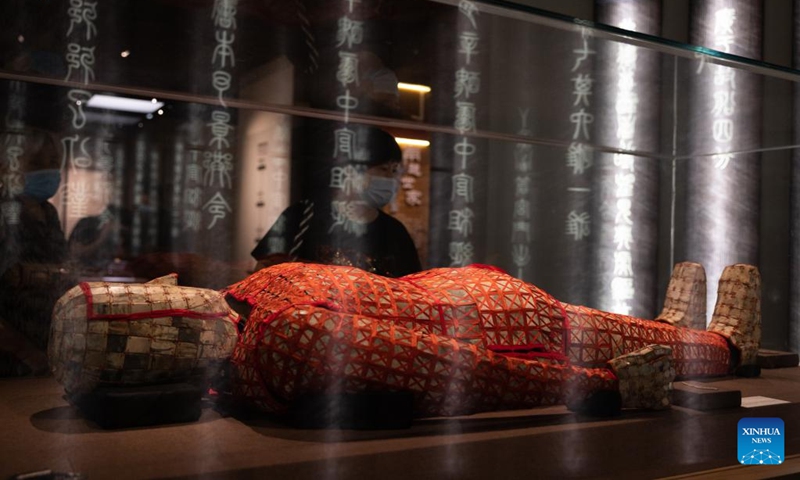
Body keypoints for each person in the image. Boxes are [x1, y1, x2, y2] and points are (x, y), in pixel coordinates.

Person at [49, 261, 761, 418]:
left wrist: (597, 388)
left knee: (619, 335)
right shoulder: (271, 316)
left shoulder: (265, 315)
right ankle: (711, 340)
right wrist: (597, 386)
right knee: (611, 334)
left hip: (480, 312)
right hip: (488, 316)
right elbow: (440, 364)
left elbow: (441, 362)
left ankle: (708, 340)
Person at [251, 122, 422, 278]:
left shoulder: (395, 232)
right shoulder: (300, 216)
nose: (390, 178)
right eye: (383, 169)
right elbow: (263, 272)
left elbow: (409, 288)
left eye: (394, 171)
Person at [0, 129, 75, 349]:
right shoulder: (6, 209)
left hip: (49, 326)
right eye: (35, 163)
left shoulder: (49, 211)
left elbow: (63, 260)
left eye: (53, 163)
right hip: (12, 334)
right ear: (10, 167)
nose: (47, 170)